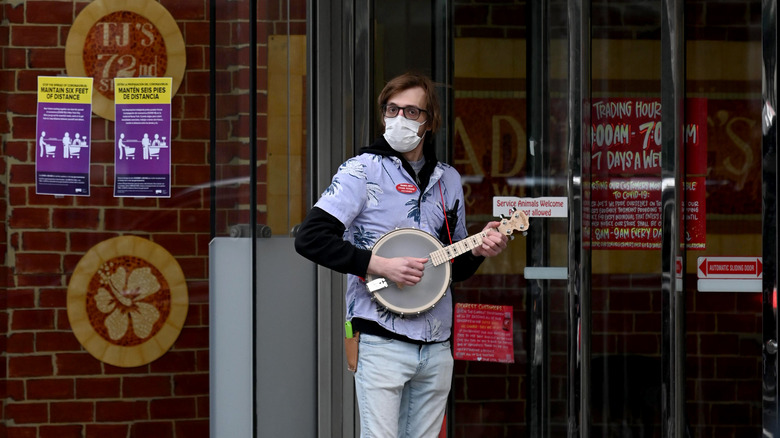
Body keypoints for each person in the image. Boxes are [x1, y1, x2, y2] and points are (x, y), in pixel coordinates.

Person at [295, 72, 508, 437]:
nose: (399, 119)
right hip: (381, 340)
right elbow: (310, 238)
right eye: (392, 109)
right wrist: (377, 264)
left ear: (430, 121)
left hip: (437, 344)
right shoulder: (361, 170)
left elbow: (452, 269)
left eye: (412, 111)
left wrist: (482, 248)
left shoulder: (448, 180)